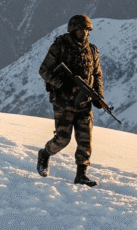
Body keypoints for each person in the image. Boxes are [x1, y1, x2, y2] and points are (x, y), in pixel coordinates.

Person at [36, 14, 104, 187]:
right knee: (63, 138)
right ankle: (45, 153)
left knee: (85, 140)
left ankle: (81, 174)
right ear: (73, 30)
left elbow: (97, 75)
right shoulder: (60, 47)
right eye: (81, 30)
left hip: (84, 103)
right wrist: (61, 83)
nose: (84, 33)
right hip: (63, 102)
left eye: (87, 30)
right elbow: (44, 70)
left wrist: (98, 96)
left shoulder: (92, 50)